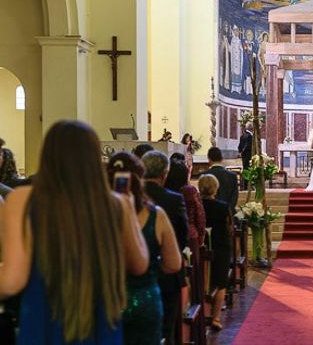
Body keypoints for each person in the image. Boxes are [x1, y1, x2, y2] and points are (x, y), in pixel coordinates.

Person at [0, 120, 149, 343]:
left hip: (43, 322)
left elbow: (12, 280)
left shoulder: (22, 200)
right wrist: (128, 209)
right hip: (101, 324)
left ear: (47, 155)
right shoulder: (116, 204)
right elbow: (139, 265)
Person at [107, 152, 181, 345]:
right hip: (145, 300)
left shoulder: (94, 215)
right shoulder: (156, 215)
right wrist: (153, 269)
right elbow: (173, 264)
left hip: (106, 301)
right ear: (140, 178)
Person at [141, 150, 188, 345]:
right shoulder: (174, 199)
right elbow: (182, 236)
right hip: (167, 275)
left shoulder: (126, 198)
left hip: (133, 277)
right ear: (165, 173)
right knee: (165, 329)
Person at [198, 174, 233, 333]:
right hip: (220, 247)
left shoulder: (196, 206)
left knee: (201, 281)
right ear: (215, 188)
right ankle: (216, 318)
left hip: (201, 248)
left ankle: (201, 315)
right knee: (220, 283)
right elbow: (229, 228)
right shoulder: (223, 206)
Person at [204, 147, 239, 212]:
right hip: (228, 214)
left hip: (210, 214)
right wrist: (228, 212)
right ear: (221, 159)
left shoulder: (205, 176)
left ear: (209, 159)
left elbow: (203, 198)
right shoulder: (232, 176)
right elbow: (234, 197)